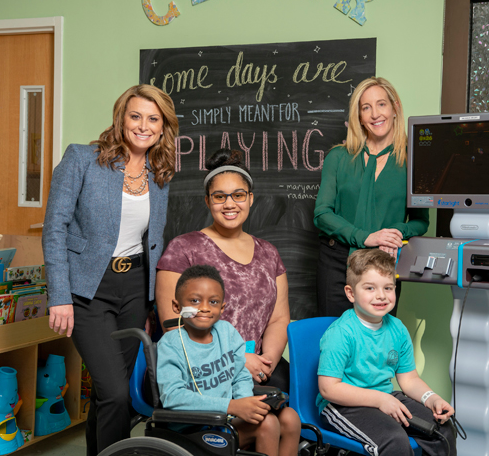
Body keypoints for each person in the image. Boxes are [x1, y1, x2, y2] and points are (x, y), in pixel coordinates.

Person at [42, 84, 178, 455]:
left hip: (135, 289)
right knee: (116, 392)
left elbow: (155, 239)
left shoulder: (160, 172)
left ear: (163, 127)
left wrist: (153, 301)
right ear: (121, 119)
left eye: (154, 119)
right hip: (87, 289)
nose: (143, 126)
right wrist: (59, 295)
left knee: (111, 395)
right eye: (136, 116)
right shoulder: (82, 159)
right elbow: (55, 227)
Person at [156, 148, 291, 391]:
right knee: (264, 419)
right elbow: (173, 323)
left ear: (250, 198)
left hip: (259, 364)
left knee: (294, 411)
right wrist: (237, 359)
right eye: (219, 197)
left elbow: (279, 319)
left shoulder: (269, 253)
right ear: (208, 201)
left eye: (238, 195)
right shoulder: (183, 249)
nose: (229, 204)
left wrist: (266, 362)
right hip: (204, 368)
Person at [317, 249, 457, 456]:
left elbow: (409, 380)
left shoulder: (397, 328)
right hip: (342, 405)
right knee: (394, 440)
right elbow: (329, 389)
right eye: (370, 288)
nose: (381, 296)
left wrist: (431, 398)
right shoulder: (340, 333)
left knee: (442, 430)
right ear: (351, 293)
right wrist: (380, 400)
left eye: (388, 288)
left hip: (386, 396)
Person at [314, 77, 430, 317]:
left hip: (383, 262)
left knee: (378, 342)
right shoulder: (338, 157)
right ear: (358, 116)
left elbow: (421, 221)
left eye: (381, 104)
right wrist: (365, 236)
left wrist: (394, 233)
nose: (375, 114)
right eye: (366, 108)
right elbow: (322, 214)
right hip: (337, 262)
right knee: (335, 339)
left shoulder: (414, 160)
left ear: (395, 107)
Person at [157, 264, 301, 456]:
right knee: (267, 423)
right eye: (195, 300)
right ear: (177, 306)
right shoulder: (171, 344)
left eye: (213, 302)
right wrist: (232, 406)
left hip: (227, 417)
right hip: (194, 428)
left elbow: (240, 374)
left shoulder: (226, 332)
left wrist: (246, 404)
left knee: (290, 417)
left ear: (222, 308)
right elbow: (172, 397)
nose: (205, 308)